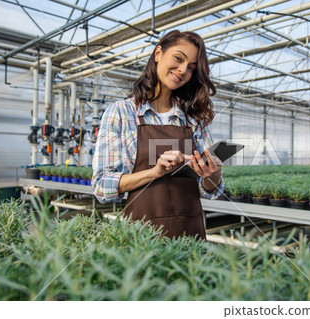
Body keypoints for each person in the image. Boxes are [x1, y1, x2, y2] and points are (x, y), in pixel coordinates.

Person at [92, 30, 224, 240]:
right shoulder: (122, 113)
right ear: (158, 54)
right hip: (140, 240)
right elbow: (101, 185)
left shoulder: (193, 119)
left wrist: (213, 174)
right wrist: (155, 172)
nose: (182, 70)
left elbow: (210, 190)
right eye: (178, 59)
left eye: (191, 68)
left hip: (189, 237)